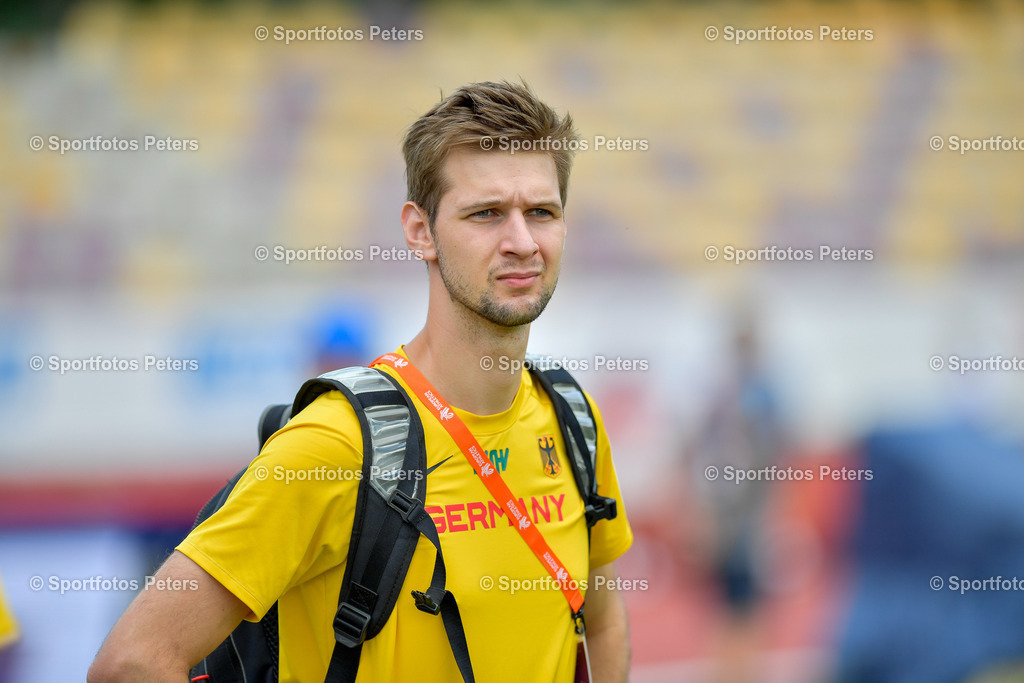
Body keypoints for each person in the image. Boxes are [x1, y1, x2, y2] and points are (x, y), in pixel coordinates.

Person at [88, 80, 633, 683]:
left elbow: (602, 621)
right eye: (485, 214)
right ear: (419, 230)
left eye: (541, 212)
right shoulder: (336, 444)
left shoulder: (571, 418)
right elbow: (131, 663)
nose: (522, 242)